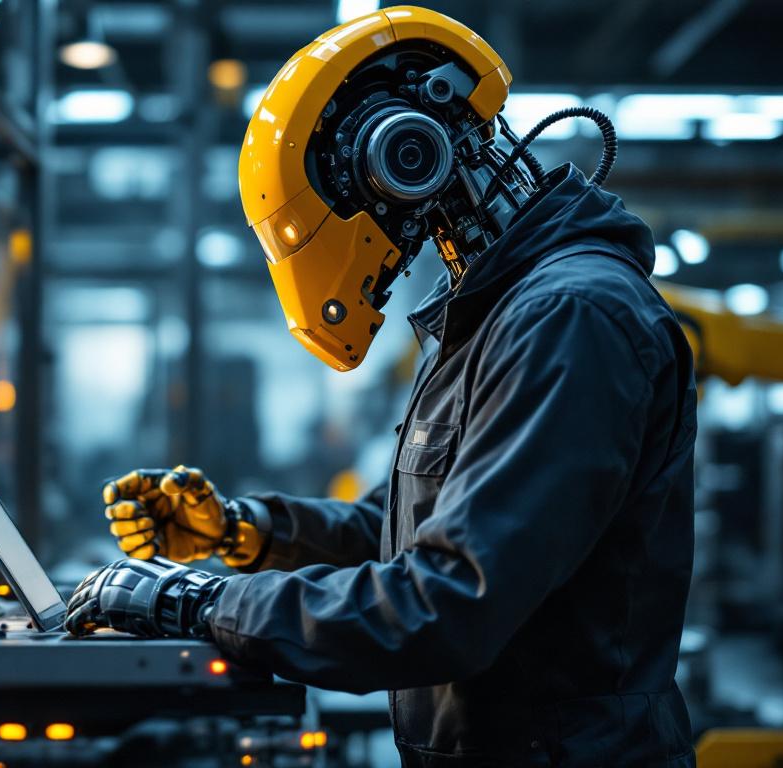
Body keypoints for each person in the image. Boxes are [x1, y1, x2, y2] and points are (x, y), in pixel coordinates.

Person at [65, 6, 697, 766]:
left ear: (403, 155)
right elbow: (410, 533)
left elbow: (446, 602)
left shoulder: (569, 317)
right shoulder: (495, 310)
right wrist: (244, 533)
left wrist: (193, 602)